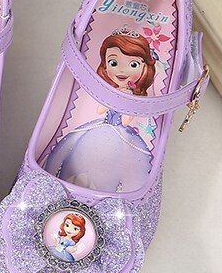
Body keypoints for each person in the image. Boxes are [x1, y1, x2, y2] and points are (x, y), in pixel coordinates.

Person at [43, 31, 156, 192]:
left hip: (119, 134)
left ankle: (108, 186)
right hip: (102, 127)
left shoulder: (131, 95)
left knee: (123, 160)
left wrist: (126, 102)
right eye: (113, 63)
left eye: (133, 65)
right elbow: (100, 109)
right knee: (79, 149)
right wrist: (112, 99)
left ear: (145, 67)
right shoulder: (113, 89)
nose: (122, 70)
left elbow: (125, 121)